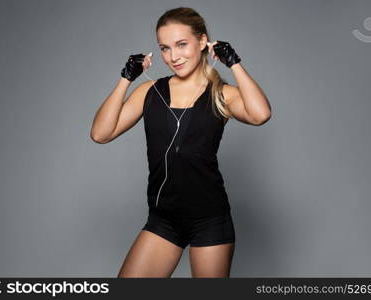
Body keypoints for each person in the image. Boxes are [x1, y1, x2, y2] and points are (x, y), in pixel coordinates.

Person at [90, 7, 271, 278]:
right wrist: (125, 79)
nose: (173, 56)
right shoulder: (149, 92)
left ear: (202, 42)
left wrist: (234, 63)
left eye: (181, 44)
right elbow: (100, 134)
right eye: (164, 48)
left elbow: (260, 114)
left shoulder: (222, 94)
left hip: (209, 220)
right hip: (164, 220)